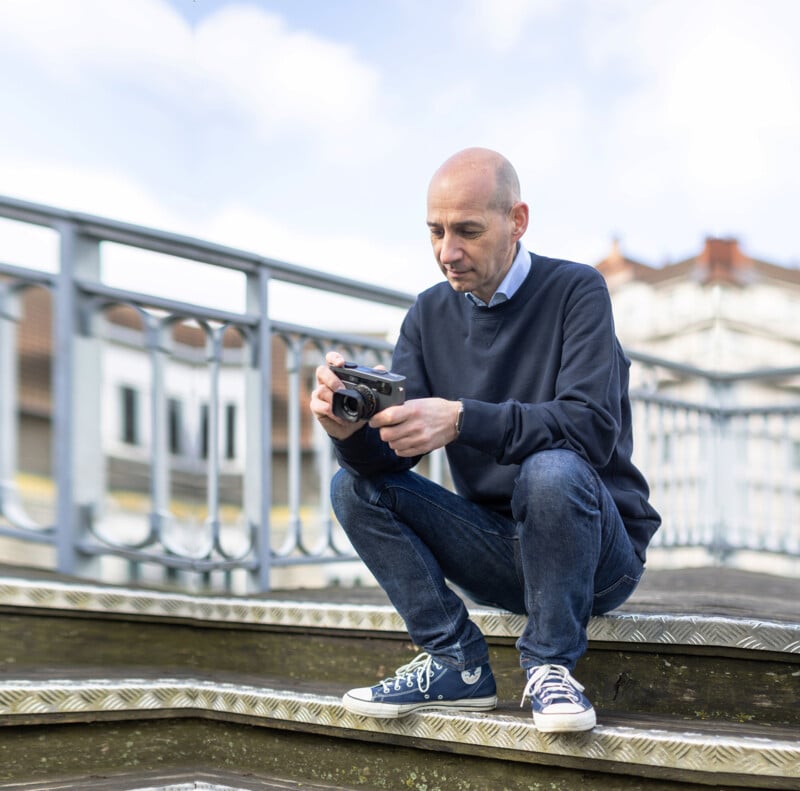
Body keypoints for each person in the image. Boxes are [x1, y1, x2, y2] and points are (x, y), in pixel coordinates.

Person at [309, 147, 660, 733]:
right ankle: (456, 661)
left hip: (597, 552)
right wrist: (348, 432)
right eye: (436, 232)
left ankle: (550, 665)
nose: (448, 252)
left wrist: (462, 418)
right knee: (353, 487)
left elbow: (591, 430)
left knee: (551, 470)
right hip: (499, 549)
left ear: (517, 221)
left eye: (468, 231)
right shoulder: (426, 316)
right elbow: (393, 456)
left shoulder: (578, 291)